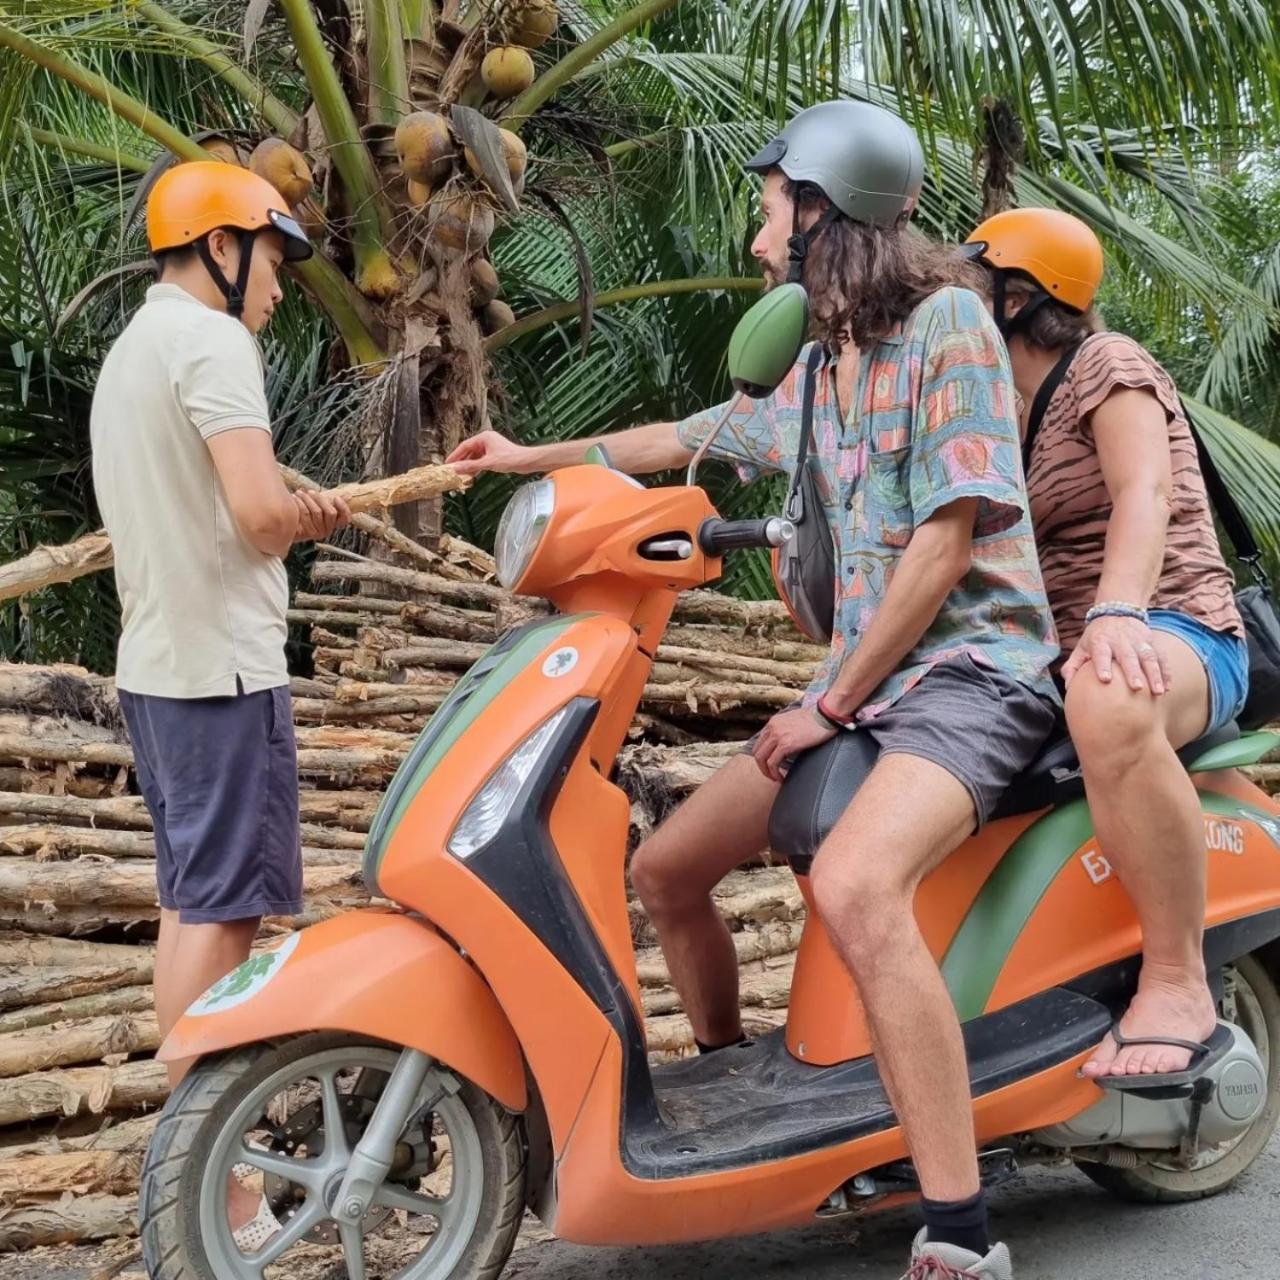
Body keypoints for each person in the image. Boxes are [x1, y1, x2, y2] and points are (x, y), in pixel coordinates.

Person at [450, 101, 1061, 1279]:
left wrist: (825, 706)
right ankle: (744, 1090)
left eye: (768, 208)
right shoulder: (820, 367)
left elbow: (943, 546)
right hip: (861, 682)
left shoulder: (949, 330)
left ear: (824, 211)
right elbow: (687, 432)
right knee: (664, 869)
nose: (753, 238)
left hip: (972, 675)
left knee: (854, 882)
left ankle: (958, 1224)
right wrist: (523, 458)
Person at [90, 161, 351, 1244]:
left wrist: (279, 499)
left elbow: (219, 495)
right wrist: (303, 514)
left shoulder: (138, 344)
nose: (280, 288)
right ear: (220, 248)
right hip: (219, 671)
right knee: (222, 912)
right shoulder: (213, 343)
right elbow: (253, 513)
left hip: (160, 661)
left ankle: (191, 1162)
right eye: (274, 261)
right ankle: (219, 1183)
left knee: (190, 905)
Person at [964, 208, 1248, 1083]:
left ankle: (1177, 978)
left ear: (1018, 296)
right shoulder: (1009, 419)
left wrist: (1119, 611)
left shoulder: (1106, 364)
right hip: (1071, 652)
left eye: (974, 286)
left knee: (1110, 693)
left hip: (1179, 627)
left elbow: (1144, 492)